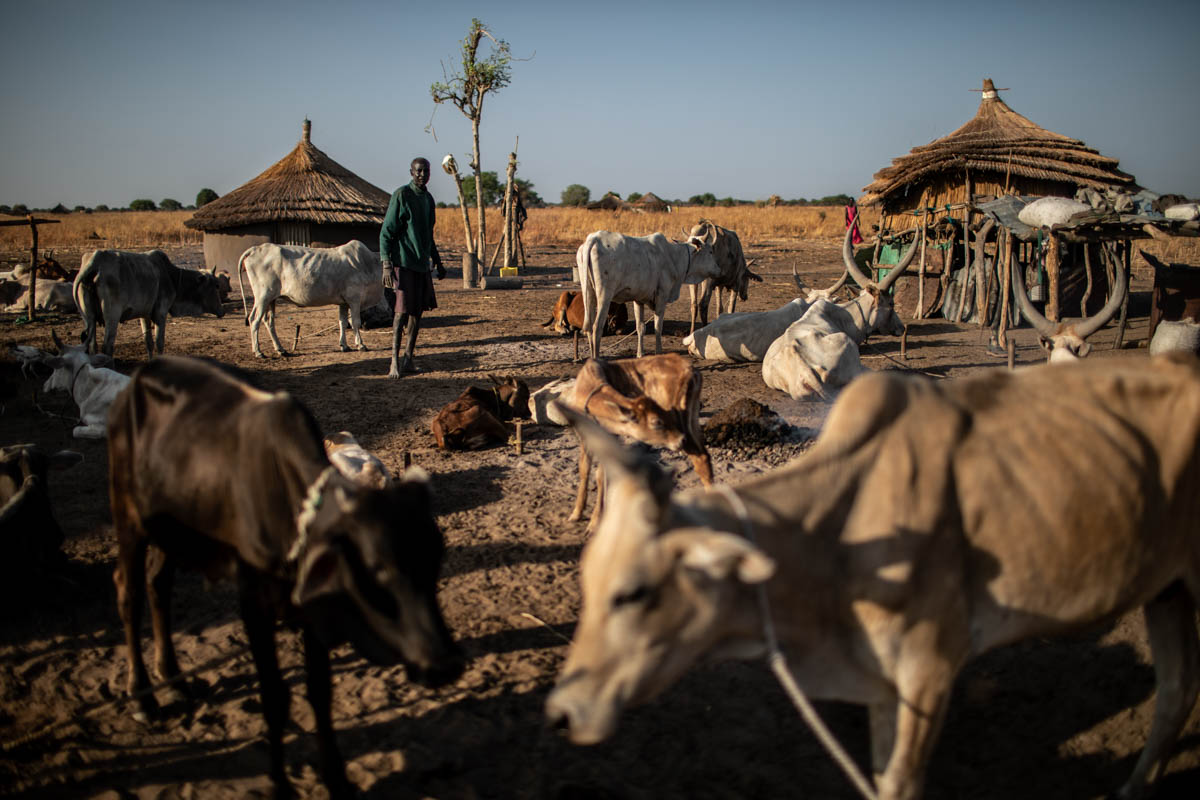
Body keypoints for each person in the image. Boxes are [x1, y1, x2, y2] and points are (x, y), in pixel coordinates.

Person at [380, 157, 445, 378]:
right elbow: (386, 232)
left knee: (417, 314)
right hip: (404, 263)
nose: (421, 175)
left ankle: (409, 358)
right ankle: (394, 362)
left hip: (421, 265)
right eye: (418, 171)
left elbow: (428, 235)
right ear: (411, 172)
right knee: (400, 314)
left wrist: (437, 260)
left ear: (429, 173)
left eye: (425, 171)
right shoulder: (401, 195)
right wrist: (386, 264)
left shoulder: (428, 199)